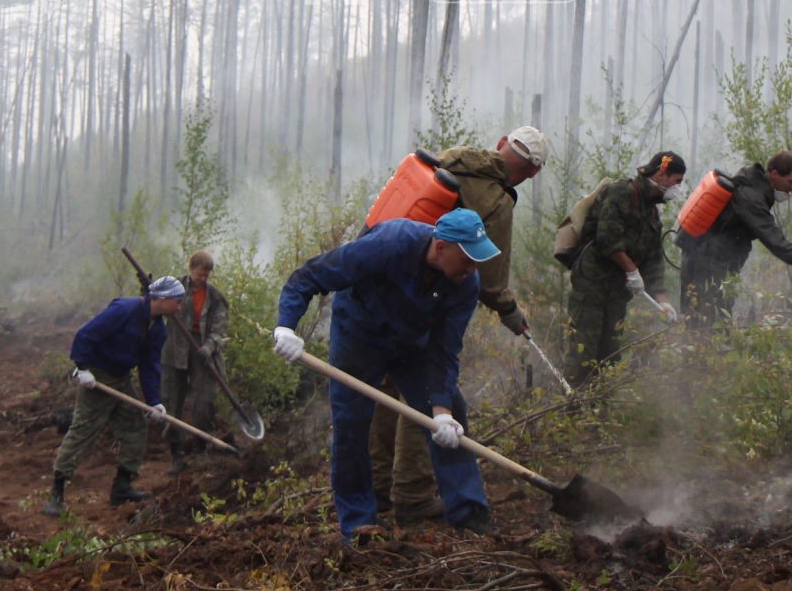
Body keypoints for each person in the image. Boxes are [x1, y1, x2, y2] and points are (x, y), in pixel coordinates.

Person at [272, 209, 498, 541]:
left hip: (412, 346)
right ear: (440, 247)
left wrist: (441, 411)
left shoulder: (465, 284)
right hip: (359, 337)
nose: (472, 268)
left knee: (454, 414)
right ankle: (358, 523)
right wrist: (285, 326)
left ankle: (468, 513)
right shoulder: (389, 244)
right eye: (467, 258)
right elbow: (310, 275)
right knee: (351, 425)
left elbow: (445, 350)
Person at [373, 126, 548, 522]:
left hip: (386, 282)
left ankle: (377, 491)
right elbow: (488, 276)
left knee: (382, 388)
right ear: (534, 172)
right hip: (429, 300)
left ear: (502, 143)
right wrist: (509, 311)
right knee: (425, 394)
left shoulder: (452, 158)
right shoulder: (498, 201)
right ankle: (413, 496)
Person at [42, 276, 184, 516]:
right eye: (178, 301)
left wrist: (154, 402)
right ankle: (56, 493)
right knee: (83, 431)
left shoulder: (158, 328)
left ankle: (122, 486)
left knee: (135, 426)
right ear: (162, 298)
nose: (180, 307)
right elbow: (86, 335)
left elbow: (150, 366)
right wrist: (82, 367)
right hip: (97, 377)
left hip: (121, 378)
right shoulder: (125, 310)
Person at [677, 151, 792, 323]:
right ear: (774, 174)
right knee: (705, 326)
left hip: (712, 268)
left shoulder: (753, 189)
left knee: (713, 323)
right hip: (706, 270)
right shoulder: (750, 198)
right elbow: (777, 244)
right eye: (791, 181)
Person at [566, 151, 685, 383]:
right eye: (676, 181)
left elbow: (653, 261)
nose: (677, 188)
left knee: (610, 354)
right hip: (592, 284)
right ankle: (572, 411)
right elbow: (607, 238)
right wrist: (631, 270)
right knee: (583, 350)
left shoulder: (651, 212)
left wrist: (663, 301)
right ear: (662, 174)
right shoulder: (622, 192)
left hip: (617, 293)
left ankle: (600, 409)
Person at [161, 250, 228, 476]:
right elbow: (154, 306)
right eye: (200, 274)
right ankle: (176, 454)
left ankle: (200, 448)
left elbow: (220, 328)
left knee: (205, 401)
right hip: (174, 350)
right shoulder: (174, 289)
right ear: (191, 269)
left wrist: (209, 346)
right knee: (173, 401)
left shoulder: (215, 297)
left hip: (203, 353)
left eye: (207, 275)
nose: (203, 279)